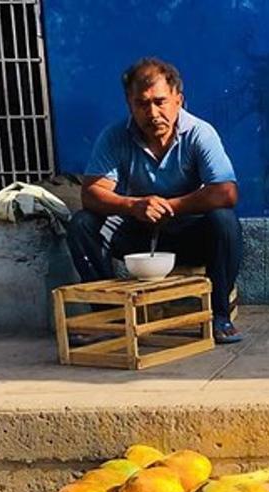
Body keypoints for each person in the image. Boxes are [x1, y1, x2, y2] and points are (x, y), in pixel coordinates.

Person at [66, 57, 243, 344]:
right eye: (142, 104)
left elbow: (226, 191)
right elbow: (91, 193)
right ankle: (108, 317)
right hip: (139, 237)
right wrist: (132, 206)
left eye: (160, 102)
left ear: (178, 100)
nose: (152, 112)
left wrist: (172, 206)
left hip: (191, 236)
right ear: (130, 105)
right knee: (82, 224)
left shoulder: (200, 134)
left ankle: (219, 315)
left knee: (224, 220)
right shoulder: (114, 137)